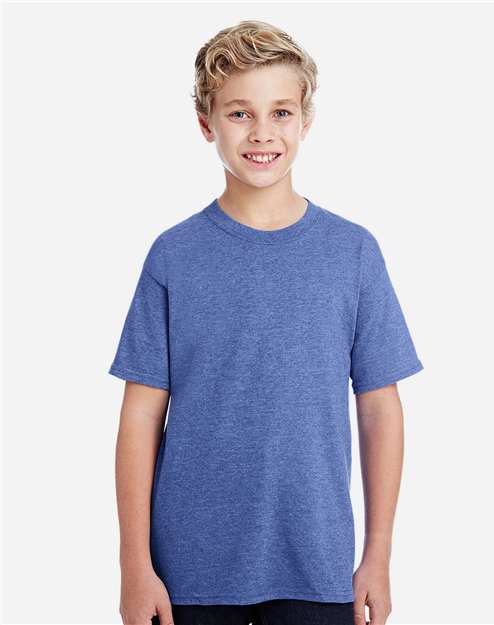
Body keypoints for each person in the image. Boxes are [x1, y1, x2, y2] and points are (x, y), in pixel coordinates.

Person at [109, 20, 424, 625]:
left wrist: (379, 555)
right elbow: (140, 416)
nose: (261, 132)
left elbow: (380, 408)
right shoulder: (173, 256)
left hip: (317, 562)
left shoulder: (353, 253)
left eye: (281, 112)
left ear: (306, 120)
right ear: (206, 123)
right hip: (187, 572)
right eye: (239, 113)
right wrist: (133, 566)